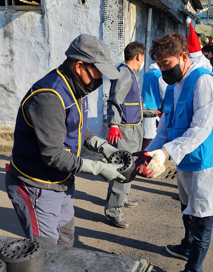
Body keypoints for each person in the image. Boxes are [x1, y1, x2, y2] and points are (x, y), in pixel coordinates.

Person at [5, 34, 126, 247]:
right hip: (38, 186)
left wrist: (101, 145)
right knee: (46, 253)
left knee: (66, 241)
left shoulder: (77, 88)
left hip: (62, 182)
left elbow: (76, 127)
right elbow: (53, 154)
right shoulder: (49, 96)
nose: (100, 81)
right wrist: (98, 169)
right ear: (80, 66)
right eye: (98, 74)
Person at [134, 31, 213, 272]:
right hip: (185, 159)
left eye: (167, 64)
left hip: (207, 163)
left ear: (184, 57)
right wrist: (149, 152)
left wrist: (165, 154)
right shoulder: (175, 86)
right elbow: (165, 126)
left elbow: (200, 128)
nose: (164, 70)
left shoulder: (205, 82)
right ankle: (186, 247)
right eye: (160, 65)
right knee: (187, 208)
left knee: (202, 219)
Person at [105, 41, 146, 229]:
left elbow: (134, 104)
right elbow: (115, 100)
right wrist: (113, 124)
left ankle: (123, 198)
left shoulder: (132, 74)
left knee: (132, 165)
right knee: (123, 168)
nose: (143, 61)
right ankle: (113, 210)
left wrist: (153, 112)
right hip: (124, 130)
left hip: (134, 128)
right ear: (139, 56)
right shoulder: (123, 73)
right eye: (143, 57)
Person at [141, 63, 167, 150]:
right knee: (150, 136)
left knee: (146, 134)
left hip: (144, 105)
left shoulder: (147, 74)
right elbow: (164, 93)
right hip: (153, 107)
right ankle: (145, 159)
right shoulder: (159, 75)